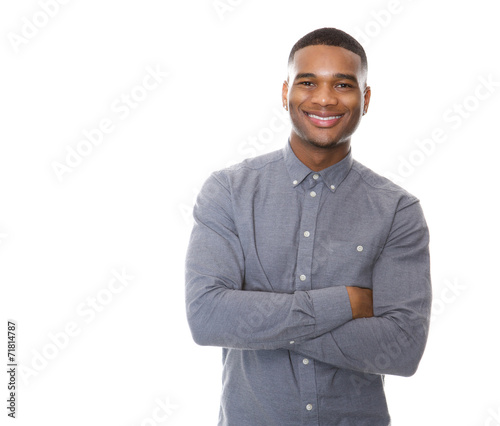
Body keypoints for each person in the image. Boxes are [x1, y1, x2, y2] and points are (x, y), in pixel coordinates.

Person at [185, 27, 431, 426]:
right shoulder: (228, 191)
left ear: (365, 99)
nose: (324, 98)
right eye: (308, 82)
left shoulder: (397, 211)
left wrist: (258, 322)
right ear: (285, 93)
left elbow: (402, 349)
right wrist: (347, 303)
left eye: (343, 84)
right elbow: (207, 318)